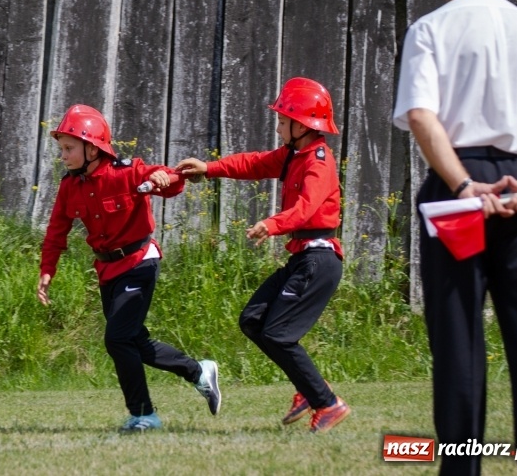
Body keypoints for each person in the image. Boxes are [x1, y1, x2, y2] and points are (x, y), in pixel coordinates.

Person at [393, 0, 517, 474]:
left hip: (459, 190)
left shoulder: (431, 29)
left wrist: (462, 185)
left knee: (458, 334)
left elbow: (420, 115)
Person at [176, 77, 351, 433]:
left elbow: (305, 210)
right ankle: (311, 389)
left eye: (283, 120)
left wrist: (271, 225)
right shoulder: (293, 154)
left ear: (301, 126)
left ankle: (327, 403)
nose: (277, 125)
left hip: (319, 261)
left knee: (279, 334)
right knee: (254, 321)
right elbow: (253, 164)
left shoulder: (318, 162)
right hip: (303, 258)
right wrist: (208, 169)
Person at [37, 104, 221, 433]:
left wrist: (164, 178)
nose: (62, 155)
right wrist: (47, 271)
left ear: (92, 148)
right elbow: (55, 233)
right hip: (108, 271)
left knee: (117, 339)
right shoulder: (69, 187)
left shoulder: (126, 172)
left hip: (140, 262)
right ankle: (198, 372)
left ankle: (143, 415)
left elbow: (169, 180)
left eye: (69, 148)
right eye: (61, 148)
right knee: (133, 340)